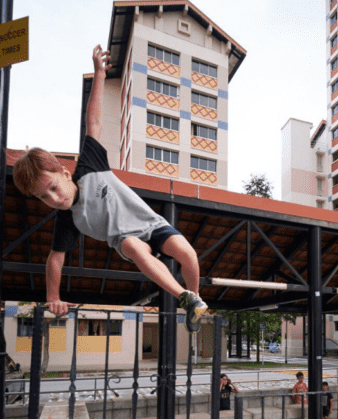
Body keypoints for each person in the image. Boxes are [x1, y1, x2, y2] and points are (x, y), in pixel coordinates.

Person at [13, 45, 208, 332]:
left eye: (54, 188)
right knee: (129, 244)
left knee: (188, 254)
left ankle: (196, 301)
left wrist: (99, 74)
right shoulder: (68, 219)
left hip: (153, 225)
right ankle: (184, 297)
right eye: (44, 197)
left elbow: (93, 122)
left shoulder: (89, 165)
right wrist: (52, 296)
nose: (54, 199)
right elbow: (55, 259)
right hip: (130, 240)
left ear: (65, 173)